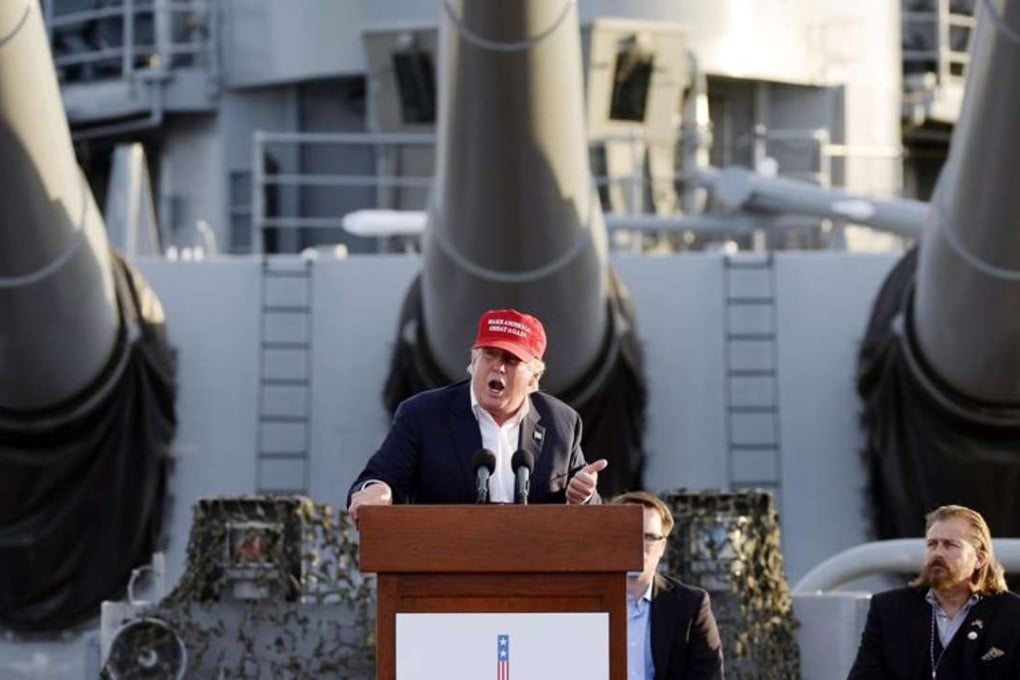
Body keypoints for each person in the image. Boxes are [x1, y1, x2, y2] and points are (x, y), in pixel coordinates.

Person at [347, 308, 607, 521]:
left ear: (534, 378)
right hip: (444, 573)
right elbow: (378, 477)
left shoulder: (561, 423)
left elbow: (593, 514)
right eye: (489, 355)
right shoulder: (423, 415)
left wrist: (583, 497)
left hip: (536, 577)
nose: (498, 367)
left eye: (511, 360)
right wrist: (377, 490)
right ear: (473, 362)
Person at [848, 504, 1020, 679]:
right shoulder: (888, 609)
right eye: (932, 544)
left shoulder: (1012, 614)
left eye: (950, 545)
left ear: (980, 559)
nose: (937, 553)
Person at [611, 491, 724, 680]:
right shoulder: (584, 603)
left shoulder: (689, 606)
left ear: (662, 547)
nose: (636, 544)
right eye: (627, 533)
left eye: (648, 537)